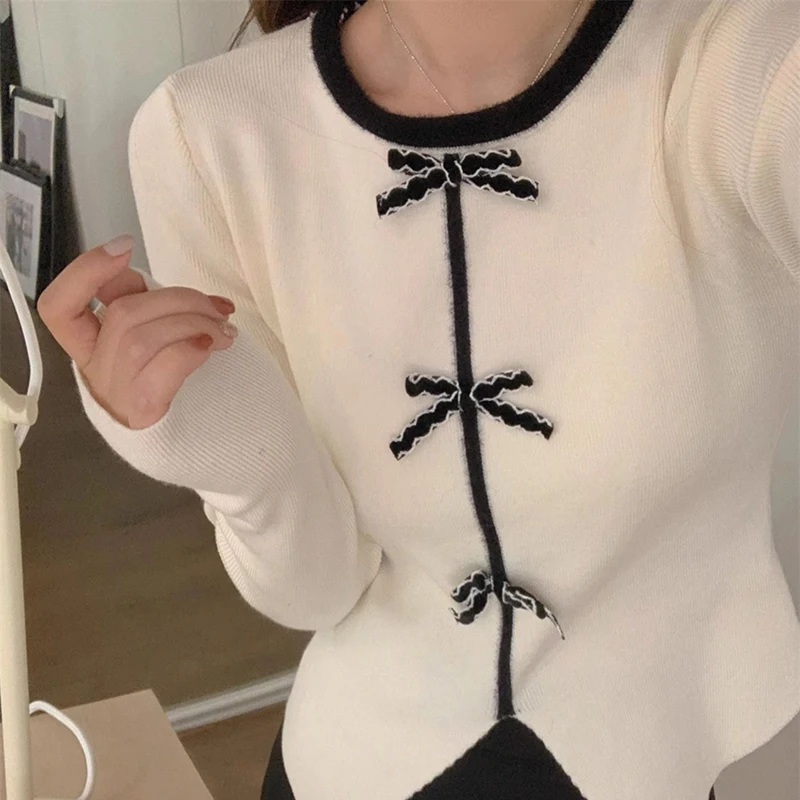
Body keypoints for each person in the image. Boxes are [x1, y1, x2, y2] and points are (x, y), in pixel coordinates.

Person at [37, 0, 798, 798]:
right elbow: (317, 589)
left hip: (643, 758)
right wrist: (223, 439)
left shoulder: (738, 67)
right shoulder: (210, 133)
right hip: (349, 769)